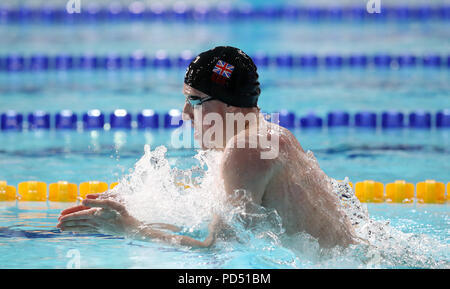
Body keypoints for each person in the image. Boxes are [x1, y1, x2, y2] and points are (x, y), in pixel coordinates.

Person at [57, 46, 358, 248]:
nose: (185, 113)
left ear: (230, 105)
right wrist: (138, 207)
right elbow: (219, 222)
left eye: (195, 100)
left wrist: (129, 229)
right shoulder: (273, 134)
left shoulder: (246, 149)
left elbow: (216, 254)